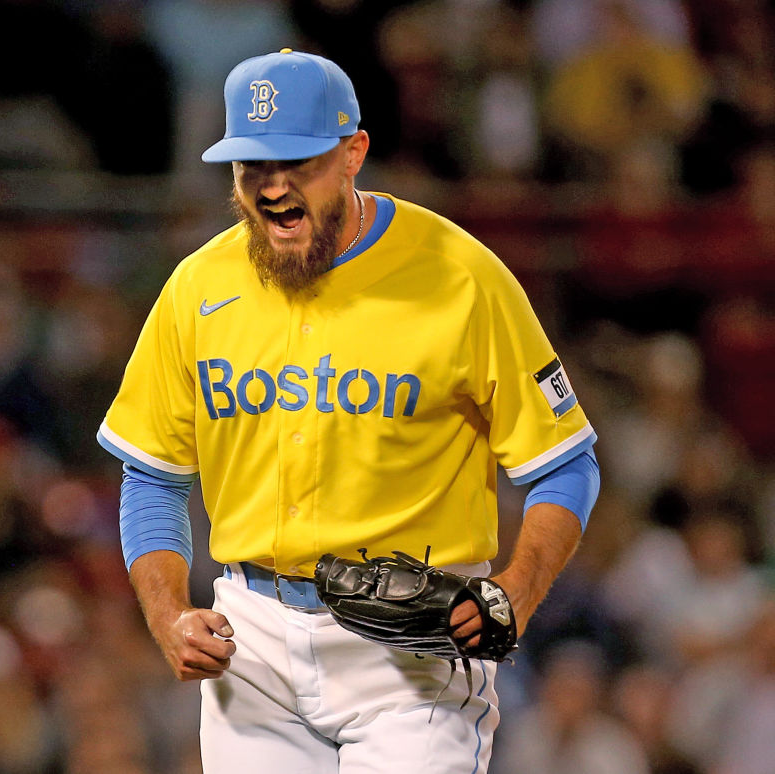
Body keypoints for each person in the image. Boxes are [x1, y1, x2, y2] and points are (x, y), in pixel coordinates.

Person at [97, 48, 601, 773]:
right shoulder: (197, 287)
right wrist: (167, 612)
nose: (271, 188)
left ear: (353, 152)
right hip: (253, 639)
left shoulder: (461, 278)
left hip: (412, 641)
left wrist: (515, 594)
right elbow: (154, 475)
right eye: (251, 169)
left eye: (295, 163)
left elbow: (565, 465)